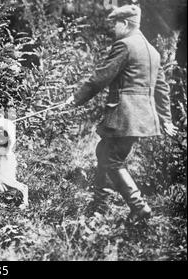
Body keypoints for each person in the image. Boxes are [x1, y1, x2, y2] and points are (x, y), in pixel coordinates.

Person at [66, 5, 178, 223]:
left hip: (124, 115)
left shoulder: (125, 45)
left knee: (112, 159)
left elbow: (100, 77)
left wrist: (76, 98)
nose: (113, 29)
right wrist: (166, 119)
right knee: (105, 153)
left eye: (115, 24)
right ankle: (100, 206)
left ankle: (139, 206)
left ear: (125, 24)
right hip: (141, 118)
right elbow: (162, 88)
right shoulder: (152, 51)